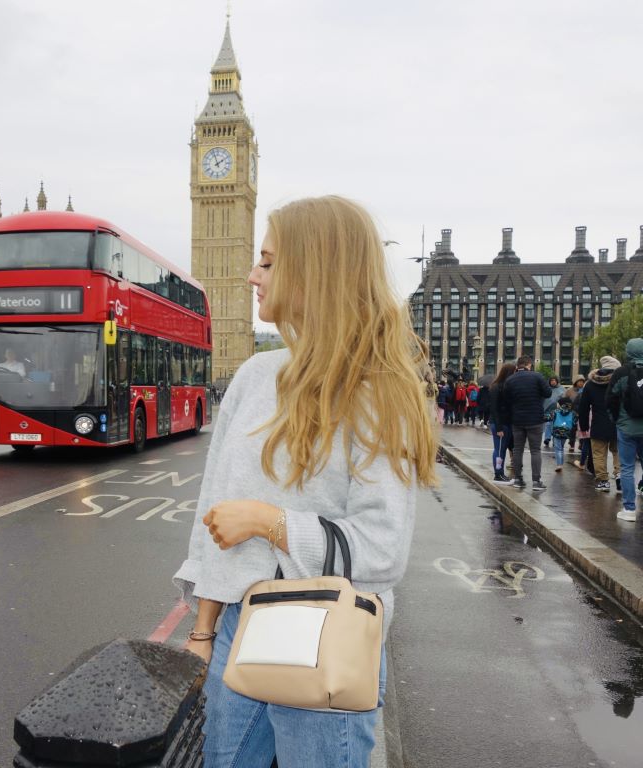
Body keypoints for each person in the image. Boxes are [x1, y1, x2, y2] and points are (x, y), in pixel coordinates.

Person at [173, 196, 437, 768]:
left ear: (316, 270)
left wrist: (271, 523)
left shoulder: (376, 392)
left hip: (325, 629)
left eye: (267, 262)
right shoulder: (253, 375)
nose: (251, 276)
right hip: (238, 629)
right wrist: (202, 632)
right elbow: (213, 514)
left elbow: (383, 550)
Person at [501, 355, 552, 491]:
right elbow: (548, 393)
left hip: (517, 419)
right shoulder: (537, 377)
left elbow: (506, 400)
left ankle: (518, 479)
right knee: (535, 450)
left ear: (518, 365)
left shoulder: (510, 380)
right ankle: (536, 481)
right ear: (529, 364)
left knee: (518, 449)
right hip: (535, 419)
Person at [606, 338, 643, 522]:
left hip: (626, 426)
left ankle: (629, 509)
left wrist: (616, 419)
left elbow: (611, 399)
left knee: (627, 468)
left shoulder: (621, 372)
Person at [578, 356, 621, 492]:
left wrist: (584, 426)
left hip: (598, 424)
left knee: (598, 454)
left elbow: (583, 407)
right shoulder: (620, 382)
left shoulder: (590, 384)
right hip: (618, 423)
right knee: (618, 452)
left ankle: (603, 481)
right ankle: (620, 476)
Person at [488, 363, 516, 483]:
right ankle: (498, 474)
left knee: (502, 449)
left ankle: (500, 473)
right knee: (499, 450)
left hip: (506, 423)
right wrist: (499, 427)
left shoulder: (504, 386)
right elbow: (494, 408)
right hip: (500, 423)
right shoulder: (496, 387)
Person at [551, 397, 575, 472]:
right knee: (561, 447)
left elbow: (548, 417)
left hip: (557, 431)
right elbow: (575, 422)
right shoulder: (572, 413)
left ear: (561, 404)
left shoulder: (555, 411)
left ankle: (559, 465)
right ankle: (561, 464)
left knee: (558, 448)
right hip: (566, 432)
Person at [542, 376, 566, 448]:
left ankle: (555, 439)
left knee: (556, 425)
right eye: (551, 380)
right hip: (548, 410)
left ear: (557, 381)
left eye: (554, 380)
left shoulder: (562, 389)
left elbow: (565, 399)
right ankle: (547, 438)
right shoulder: (547, 389)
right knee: (548, 424)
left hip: (558, 411)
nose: (553, 382)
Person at [564, 376, 585, 452]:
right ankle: (572, 444)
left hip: (583, 413)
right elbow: (564, 400)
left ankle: (581, 444)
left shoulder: (586, 390)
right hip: (572, 412)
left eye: (582, 381)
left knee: (583, 429)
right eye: (579, 381)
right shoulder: (570, 390)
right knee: (573, 429)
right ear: (576, 382)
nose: (581, 383)